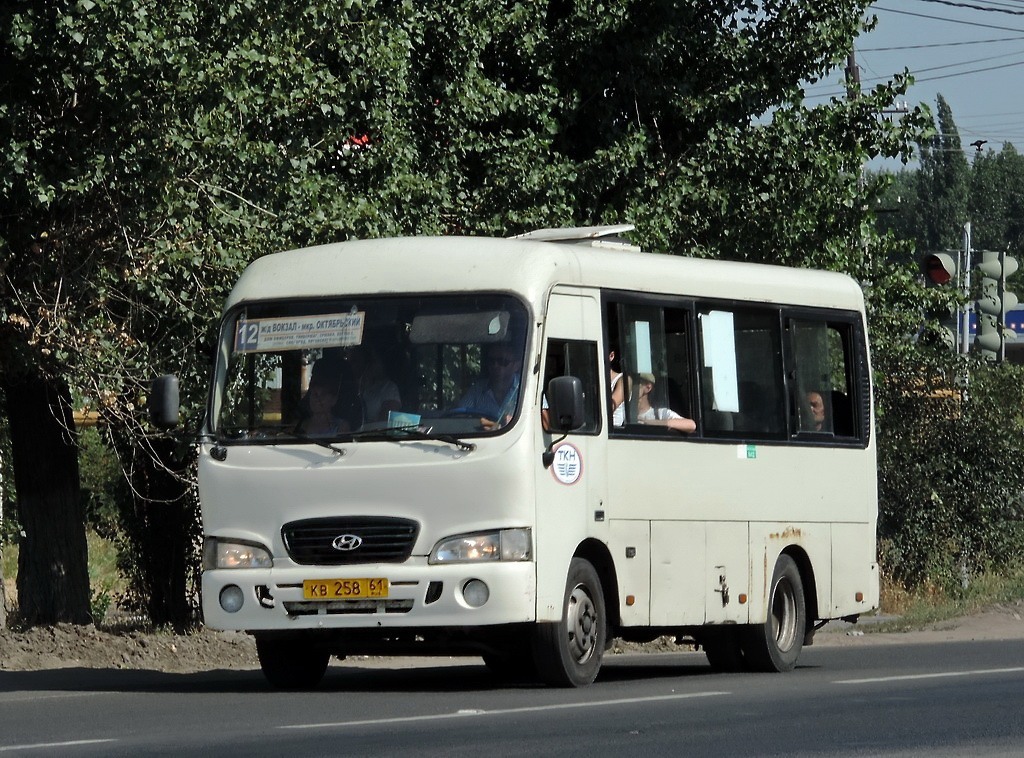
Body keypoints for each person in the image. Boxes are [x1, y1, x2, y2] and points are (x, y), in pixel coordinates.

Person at [456, 343, 522, 429]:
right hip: (482, 440)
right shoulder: (477, 389)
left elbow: (544, 421)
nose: (495, 365)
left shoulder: (527, 386)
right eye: (491, 361)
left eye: (502, 361)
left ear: (516, 366)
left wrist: (514, 423)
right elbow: (458, 416)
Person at [296, 357, 350, 436]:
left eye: (323, 394)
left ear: (334, 399)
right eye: (314, 394)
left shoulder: (342, 427)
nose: (318, 399)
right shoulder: (302, 426)